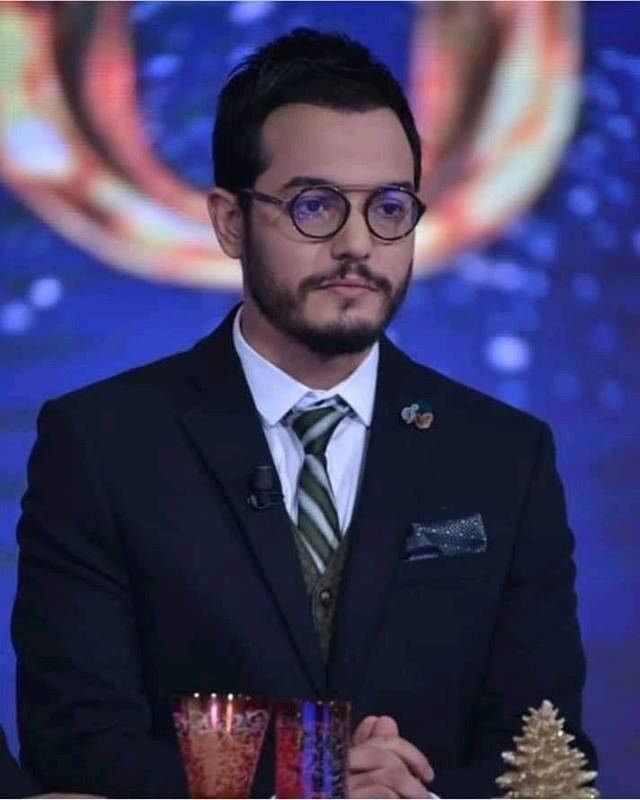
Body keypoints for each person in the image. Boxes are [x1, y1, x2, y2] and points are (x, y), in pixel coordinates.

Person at [12, 28, 596, 798]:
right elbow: (73, 746)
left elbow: (547, 751)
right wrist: (313, 782)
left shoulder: (504, 457)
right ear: (230, 222)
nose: (358, 243)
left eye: (389, 207)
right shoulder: (102, 445)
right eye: (315, 205)